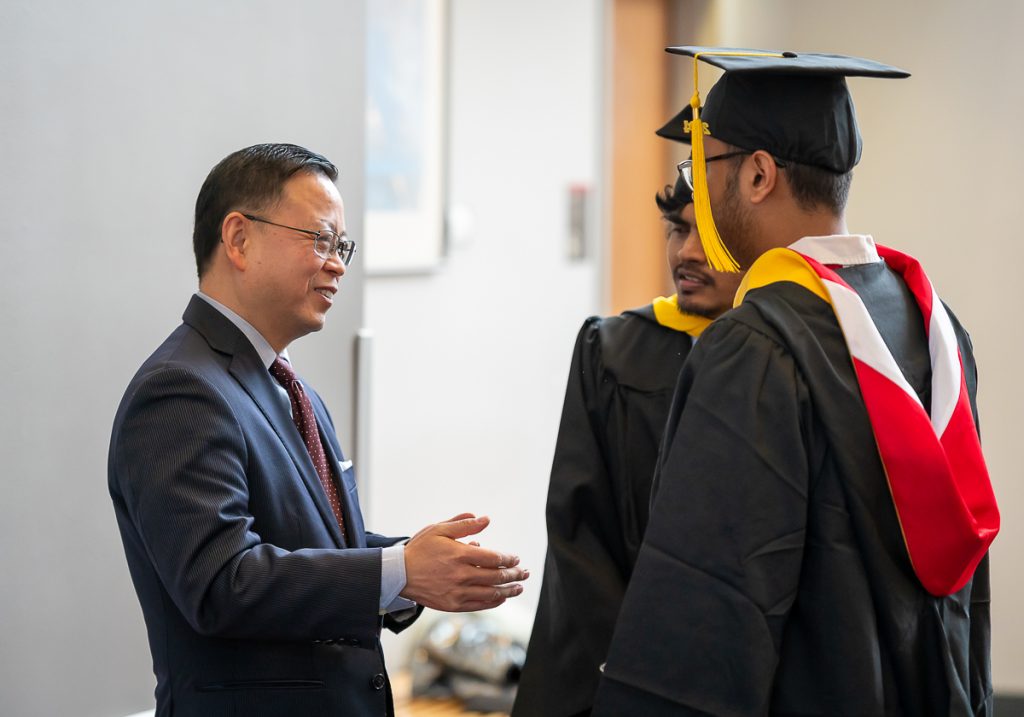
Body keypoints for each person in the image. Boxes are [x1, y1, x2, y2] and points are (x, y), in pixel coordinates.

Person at [593, 47, 999, 716]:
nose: (697, 188)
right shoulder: (931, 326)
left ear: (757, 176)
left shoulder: (753, 350)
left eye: (704, 166)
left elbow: (708, 613)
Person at [108, 143, 529, 717]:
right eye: (321, 240)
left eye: (342, 247)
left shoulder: (287, 386)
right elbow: (223, 583)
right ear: (238, 239)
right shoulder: (180, 391)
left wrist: (414, 563)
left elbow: (312, 547)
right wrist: (397, 570)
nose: (337, 264)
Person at [512, 179, 745, 717]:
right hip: (616, 659)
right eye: (678, 229)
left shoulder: (782, 360)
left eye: (707, 234)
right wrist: (634, 660)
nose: (686, 253)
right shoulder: (613, 349)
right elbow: (578, 528)